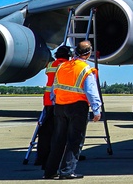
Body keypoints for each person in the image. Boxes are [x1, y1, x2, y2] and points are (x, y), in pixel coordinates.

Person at [43, 40, 102, 180]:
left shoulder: (62, 66)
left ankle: (50, 171)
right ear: (88, 54)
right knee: (74, 140)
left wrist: (55, 102)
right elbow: (91, 91)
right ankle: (67, 171)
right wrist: (96, 110)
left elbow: (54, 89)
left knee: (58, 140)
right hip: (77, 107)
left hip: (60, 106)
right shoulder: (85, 69)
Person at [35, 45, 71, 169]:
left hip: (48, 101)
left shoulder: (50, 65)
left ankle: (40, 157)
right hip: (60, 101)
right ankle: (62, 155)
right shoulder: (67, 66)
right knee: (61, 131)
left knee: (45, 131)